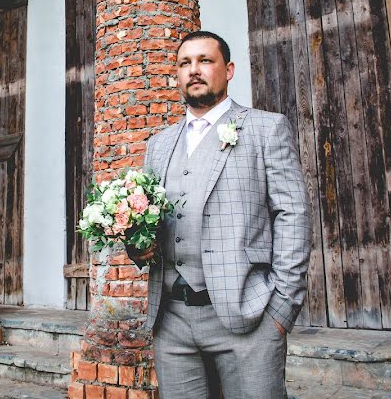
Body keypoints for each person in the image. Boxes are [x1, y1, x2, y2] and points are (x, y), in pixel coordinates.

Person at [128, 30, 311, 399]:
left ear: (228, 70)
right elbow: (148, 222)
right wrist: (138, 246)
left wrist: (281, 310)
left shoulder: (265, 128)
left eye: (204, 61)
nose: (194, 70)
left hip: (249, 317)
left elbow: (293, 215)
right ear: (176, 75)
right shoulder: (159, 145)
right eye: (185, 63)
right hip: (172, 319)